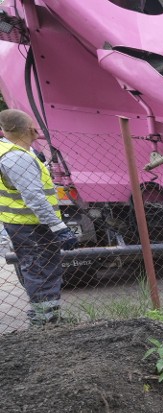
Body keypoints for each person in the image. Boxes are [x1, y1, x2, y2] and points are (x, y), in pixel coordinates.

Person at [0, 109, 77, 325]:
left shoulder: (14, 151)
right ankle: (44, 320)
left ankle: (48, 315)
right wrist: (59, 227)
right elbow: (34, 197)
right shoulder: (17, 158)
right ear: (29, 129)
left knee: (42, 269)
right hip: (31, 226)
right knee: (40, 270)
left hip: (25, 224)